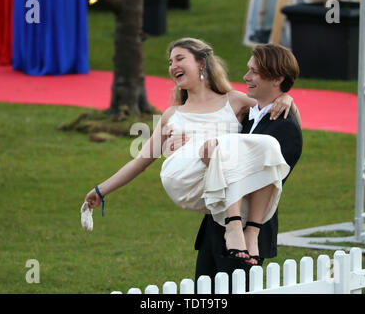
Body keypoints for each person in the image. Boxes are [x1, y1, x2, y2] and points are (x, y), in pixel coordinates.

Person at [84, 38, 301, 268]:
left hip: (222, 189)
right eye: (170, 62)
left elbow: (269, 114)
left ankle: (240, 226)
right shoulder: (171, 115)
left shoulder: (235, 101)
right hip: (187, 178)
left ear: (201, 63)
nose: (172, 66)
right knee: (223, 147)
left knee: (246, 146)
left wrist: (287, 97)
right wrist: (101, 190)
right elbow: (140, 161)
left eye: (179, 58)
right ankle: (234, 225)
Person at [186, 43, 303, 290]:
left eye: (254, 72)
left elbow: (264, 181)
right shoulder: (249, 115)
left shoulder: (285, 128)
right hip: (214, 229)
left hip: (249, 233)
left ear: (277, 78)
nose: (245, 77)